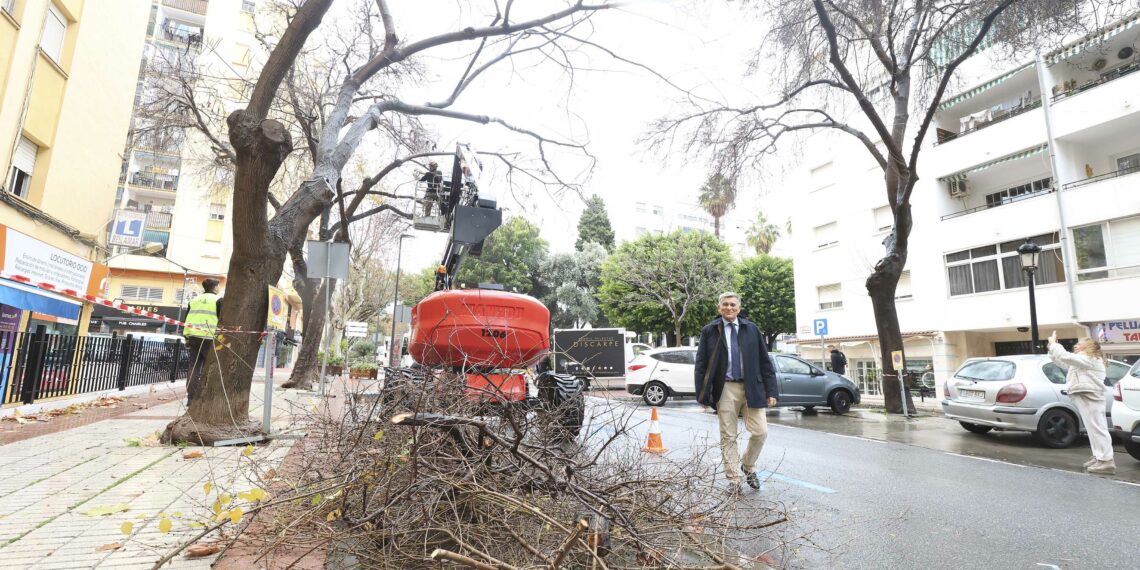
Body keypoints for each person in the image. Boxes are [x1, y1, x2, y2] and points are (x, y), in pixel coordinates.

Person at [694, 292, 779, 493]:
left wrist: (771, 390)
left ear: (738, 309)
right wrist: (702, 395)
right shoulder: (710, 331)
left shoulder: (752, 329)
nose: (729, 308)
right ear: (719, 307)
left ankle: (748, 466)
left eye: (733, 305)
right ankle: (734, 480)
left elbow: (765, 362)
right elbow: (701, 364)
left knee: (760, 432)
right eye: (725, 305)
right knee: (728, 436)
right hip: (725, 388)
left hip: (753, 387)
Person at [1047, 331, 1114, 475]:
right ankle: (1099, 457)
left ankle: (1106, 460)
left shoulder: (1090, 358)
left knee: (1097, 428)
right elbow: (1062, 361)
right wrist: (1052, 348)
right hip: (1086, 394)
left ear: (1088, 346)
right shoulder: (1083, 360)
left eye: (1079, 344)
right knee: (1093, 428)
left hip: (1090, 394)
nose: (1075, 346)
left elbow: (1065, 356)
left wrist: (1054, 345)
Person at [183, 278, 222, 406]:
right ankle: (208, 396)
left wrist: (187, 337)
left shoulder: (193, 300)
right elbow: (222, 320)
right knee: (212, 367)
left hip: (193, 337)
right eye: (218, 286)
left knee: (193, 367)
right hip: (209, 338)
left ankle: (191, 398)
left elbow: (186, 319)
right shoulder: (218, 300)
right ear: (215, 287)